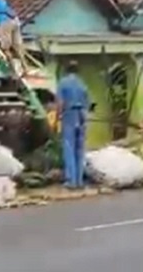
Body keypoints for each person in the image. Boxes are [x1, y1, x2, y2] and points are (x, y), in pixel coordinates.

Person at [57, 60, 90, 189]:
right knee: (80, 148)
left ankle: (71, 181)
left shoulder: (63, 83)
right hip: (81, 114)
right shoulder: (82, 84)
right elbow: (88, 102)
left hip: (69, 114)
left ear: (66, 70)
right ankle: (80, 180)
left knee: (69, 146)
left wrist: (58, 118)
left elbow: (60, 103)